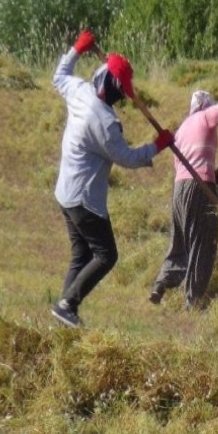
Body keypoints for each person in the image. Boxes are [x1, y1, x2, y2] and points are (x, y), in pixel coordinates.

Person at [51, 29, 174, 327]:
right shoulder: (105, 122)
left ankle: (64, 312)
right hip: (84, 199)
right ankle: (68, 304)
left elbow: (59, 75)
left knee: (81, 255)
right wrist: (158, 146)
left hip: (65, 191)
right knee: (106, 255)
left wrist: (76, 49)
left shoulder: (79, 90)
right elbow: (127, 158)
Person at [149, 90, 218, 309]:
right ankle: (193, 300)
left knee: (179, 241)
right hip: (199, 187)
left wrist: (213, 175)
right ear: (205, 105)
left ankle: (161, 283)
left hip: (179, 189)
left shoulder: (182, 128)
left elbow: (188, 162)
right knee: (203, 241)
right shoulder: (205, 117)